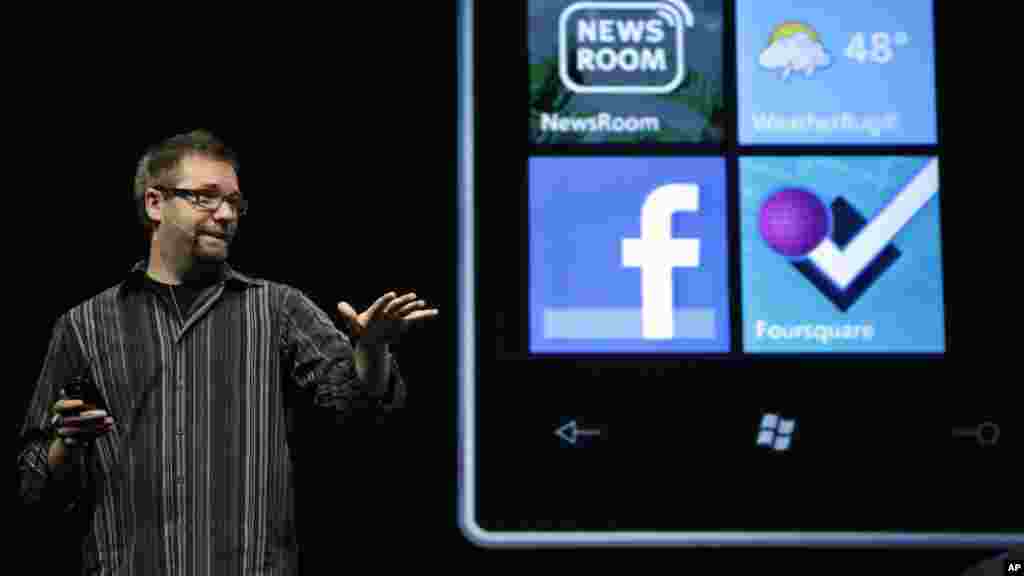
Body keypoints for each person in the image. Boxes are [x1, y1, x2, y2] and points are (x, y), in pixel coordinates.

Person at [15, 129, 439, 574]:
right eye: (205, 198)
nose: (225, 214)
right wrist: (66, 444)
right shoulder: (84, 325)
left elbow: (359, 413)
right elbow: (33, 486)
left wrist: (370, 351)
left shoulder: (278, 309)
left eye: (235, 202)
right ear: (155, 203)